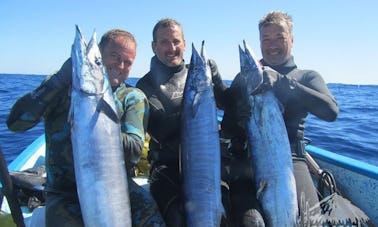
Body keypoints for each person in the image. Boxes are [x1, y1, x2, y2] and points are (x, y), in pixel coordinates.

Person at [6, 29, 165, 227]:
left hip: (116, 188)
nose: (121, 65)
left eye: (128, 61)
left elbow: (133, 152)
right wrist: (57, 81)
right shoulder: (59, 89)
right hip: (63, 192)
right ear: (100, 53)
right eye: (114, 57)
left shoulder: (132, 97)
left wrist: (100, 120)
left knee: (152, 218)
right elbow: (16, 124)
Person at [221, 10, 339, 224]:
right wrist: (238, 118)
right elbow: (227, 126)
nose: (272, 44)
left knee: (313, 222)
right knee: (250, 222)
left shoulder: (306, 77)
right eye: (266, 38)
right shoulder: (244, 78)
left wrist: (285, 83)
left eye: (279, 37)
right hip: (247, 164)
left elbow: (331, 112)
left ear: (291, 40)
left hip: (293, 162)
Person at [136, 18, 233, 226]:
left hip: (208, 165)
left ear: (184, 43)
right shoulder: (144, 86)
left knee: (232, 216)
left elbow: (228, 106)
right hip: (165, 168)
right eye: (164, 42)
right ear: (154, 46)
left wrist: (216, 79)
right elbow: (156, 128)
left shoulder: (198, 75)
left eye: (176, 41)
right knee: (176, 219)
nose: (171, 48)